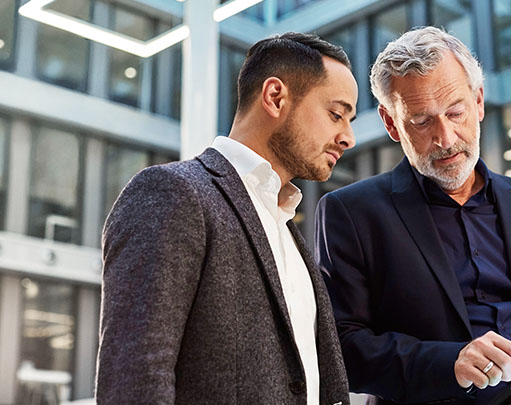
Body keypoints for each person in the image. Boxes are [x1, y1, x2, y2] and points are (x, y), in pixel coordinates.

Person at [315, 26, 511, 404]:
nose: (447, 138)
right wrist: (449, 362)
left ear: (479, 102)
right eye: (421, 121)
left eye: (456, 112)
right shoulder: (351, 213)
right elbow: (341, 349)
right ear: (391, 124)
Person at [96, 32, 358, 404]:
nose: (348, 137)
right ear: (275, 97)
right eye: (336, 114)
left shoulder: (288, 224)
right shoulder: (172, 193)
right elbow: (134, 377)